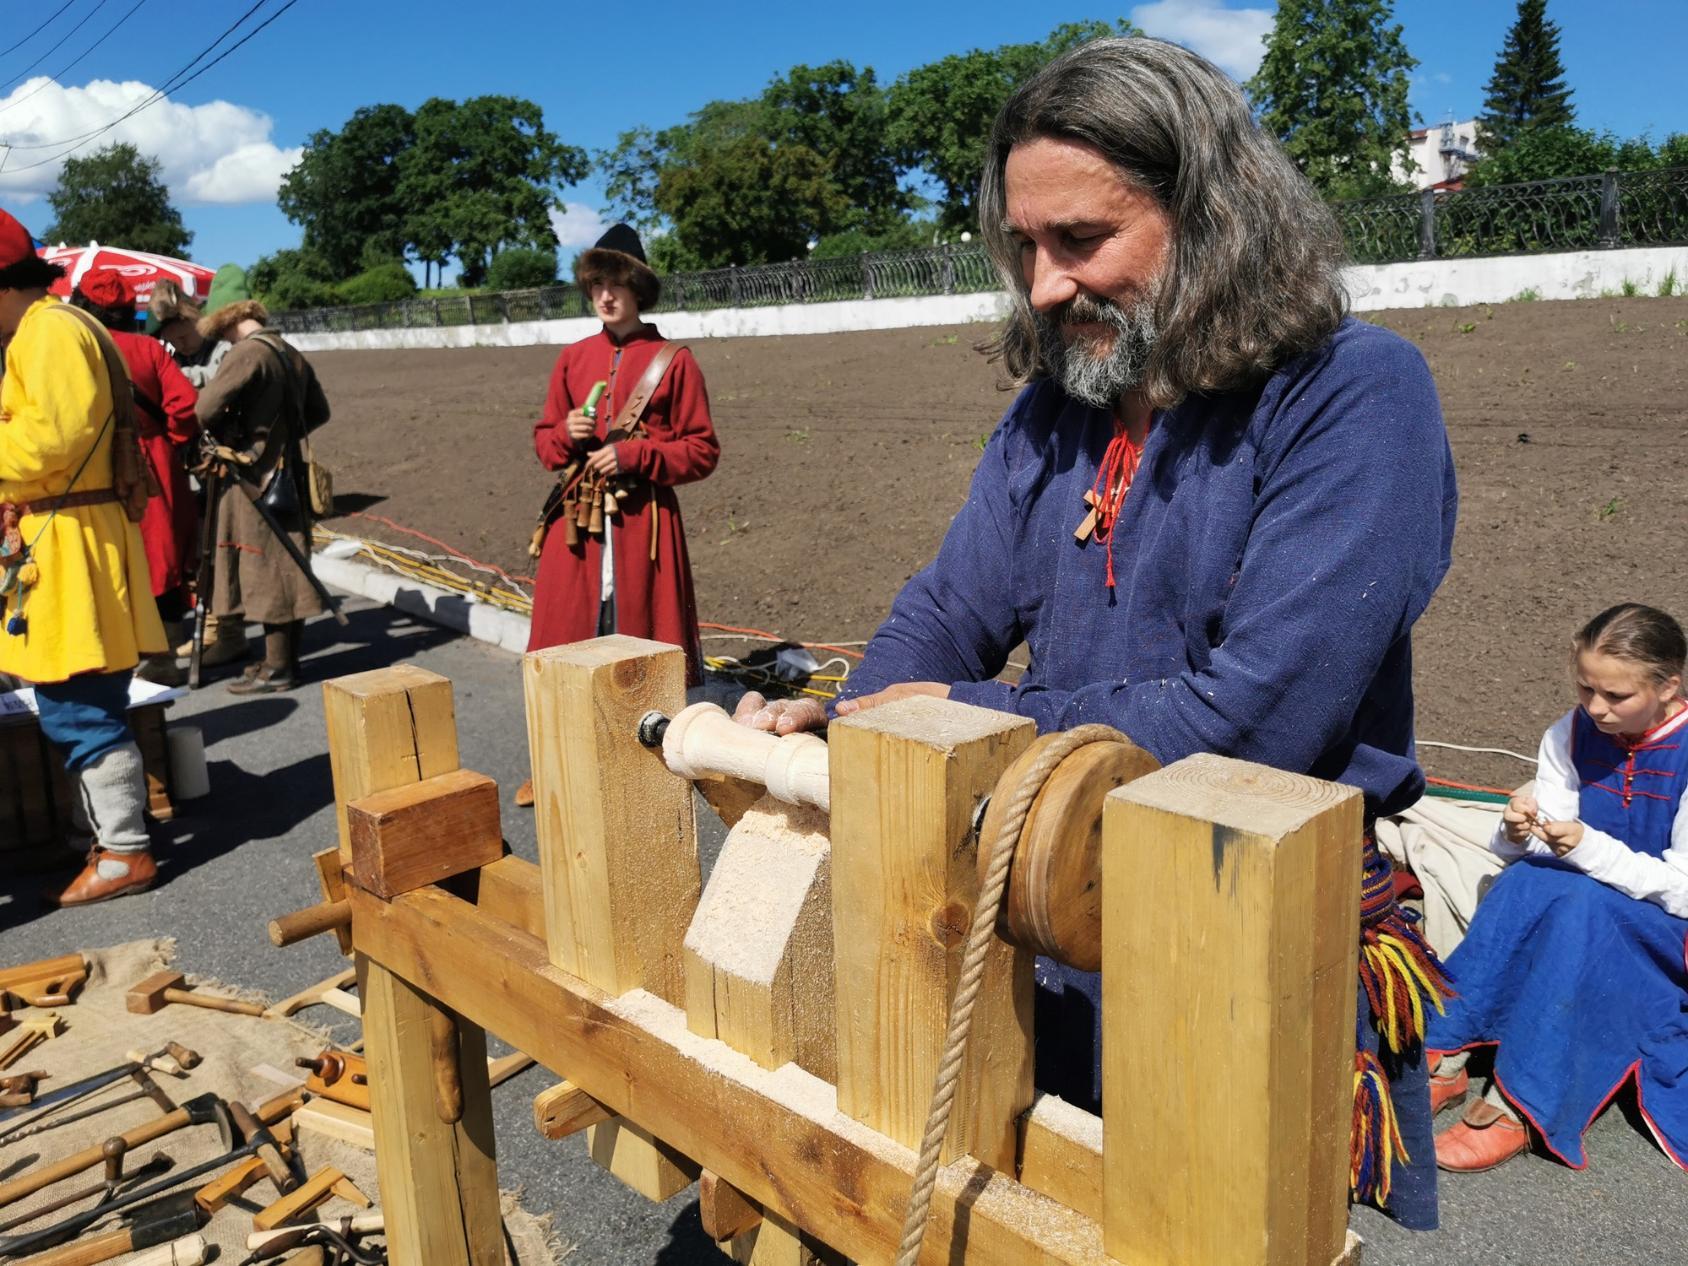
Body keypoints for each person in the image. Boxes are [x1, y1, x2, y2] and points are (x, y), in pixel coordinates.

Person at [736, 37, 1457, 1227]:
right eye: (1023, 246)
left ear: (1213, 217)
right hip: (1042, 908)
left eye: (1081, 241)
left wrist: (948, 731)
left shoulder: (1353, 395)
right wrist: (859, 716)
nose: (1043, 286)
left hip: (1240, 931)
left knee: (1205, 1233)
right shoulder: (1052, 408)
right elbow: (949, 608)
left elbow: (1252, 720)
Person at [1426, 603, 1688, 1174]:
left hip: (1672, 930)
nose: (1596, 708)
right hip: (1592, 897)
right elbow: (1552, 840)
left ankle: (1523, 1100)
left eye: (1616, 696)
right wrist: (1517, 832)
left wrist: (1586, 849)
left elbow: (1684, 890)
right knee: (1524, 879)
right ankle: (1445, 1047)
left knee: (1580, 904)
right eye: (1586, 688)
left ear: (1669, 686)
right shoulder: (1571, 731)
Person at [0, 208, 168, 904]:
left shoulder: (48, 334)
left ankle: (125, 849)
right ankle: (99, 834)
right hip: (71, 535)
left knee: (77, 702)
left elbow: (50, 441)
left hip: (71, 541)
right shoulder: (50, 328)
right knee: (81, 696)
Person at [520, 223, 720, 805]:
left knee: (639, 639)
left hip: (644, 527)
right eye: (596, 285)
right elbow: (543, 444)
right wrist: (565, 432)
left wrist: (634, 454)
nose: (606, 296)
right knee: (563, 638)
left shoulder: (674, 362)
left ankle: (647, 772)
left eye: (617, 284)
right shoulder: (572, 358)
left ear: (638, 288)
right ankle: (553, 764)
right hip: (575, 527)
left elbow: (702, 450)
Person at [193, 297, 330, 694]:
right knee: (287, 566)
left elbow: (203, 410)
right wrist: (281, 437)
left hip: (255, 480)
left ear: (226, 320)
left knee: (271, 572)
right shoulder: (291, 353)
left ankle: (278, 668)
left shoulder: (246, 354)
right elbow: (319, 411)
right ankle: (281, 662)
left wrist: (253, 441)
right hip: (288, 476)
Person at [72, 270, 200, 687]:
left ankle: (121, 655)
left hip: (95, 467)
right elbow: (185, 404)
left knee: (110, 557)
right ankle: (163, 652)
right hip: (154, 463)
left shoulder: (77, 349)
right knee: (162, 555)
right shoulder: (148, 347)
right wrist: (171, 441)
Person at [149, 277, 243, 669]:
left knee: (223, 553)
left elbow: (223, 394)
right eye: (172, 333)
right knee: (201, 558)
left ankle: (229, 632)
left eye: (183, 329)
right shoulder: (172, 355)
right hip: (191, 470)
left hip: (224, 466)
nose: (181, 339)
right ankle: (211, 628)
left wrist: (181, 382)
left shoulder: (224, 351)